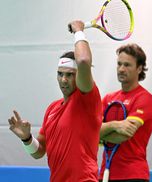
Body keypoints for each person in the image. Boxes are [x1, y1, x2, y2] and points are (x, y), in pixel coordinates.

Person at [8, 20, 102, 182]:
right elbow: (39, 152)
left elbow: (84, 61)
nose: (63, 80)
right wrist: (27, 139)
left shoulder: (87, 98)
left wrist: (78, 30)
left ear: (78, 75)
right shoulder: (52, 109)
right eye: (60, 74)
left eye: (70, 74)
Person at [99, 43, 152, 182]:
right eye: (119, 64)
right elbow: (90, 131)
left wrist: (101, 134)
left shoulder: (145, 98)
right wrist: (115, 125)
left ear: (139, 68)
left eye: (127, 65)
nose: (121, 69)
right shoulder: (108, 98)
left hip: (133, 175)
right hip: (105, 175)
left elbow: (124, 135)